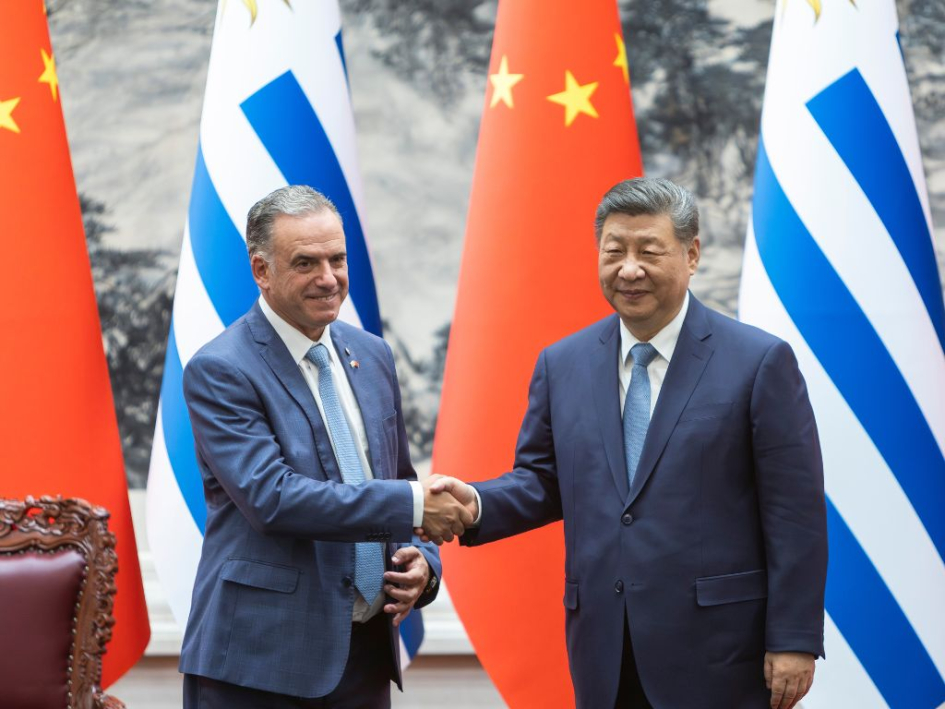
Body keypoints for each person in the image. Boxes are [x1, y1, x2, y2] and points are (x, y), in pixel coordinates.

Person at [425, 177, 828, 709]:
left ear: (691, 254)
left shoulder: (758, 362)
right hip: (605, 649)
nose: (629, 269)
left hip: (721, 652)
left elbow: (794, 513)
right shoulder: (562, 364)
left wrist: (794, 638)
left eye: (649, 252)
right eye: (614, 251)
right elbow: (543, 481)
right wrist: (474, 503)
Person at [179, 185, 472, 708]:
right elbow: (273, 498)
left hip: (364, 657)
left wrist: (424, 561)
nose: (329, 278)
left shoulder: (373, 355)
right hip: (259, 664)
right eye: (306, 263)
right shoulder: (221, 369)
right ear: (262, 270)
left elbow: (398, 481)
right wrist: (414, 503)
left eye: (337, 259)